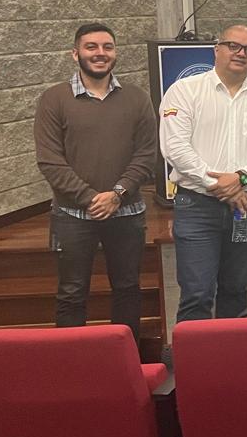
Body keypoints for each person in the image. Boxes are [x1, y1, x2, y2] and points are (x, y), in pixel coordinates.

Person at [33, 23, 159, 342]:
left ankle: (126, 363)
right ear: (75, 54)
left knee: (128, 289)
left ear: (115, 53)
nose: (100, 53)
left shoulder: (136, 98)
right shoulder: (54, 99)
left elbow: (147, 153)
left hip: (127, 212)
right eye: (91, 47)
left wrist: (117, 194)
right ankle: (72, 367)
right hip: (73, 217)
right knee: (72, 293)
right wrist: (91, 198)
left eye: (107, 47)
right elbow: (50, 160)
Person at [160, 24, 247, 322]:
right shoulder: (184, 91)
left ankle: (231, 364)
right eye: (234, 46)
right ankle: (194, 367)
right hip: (197, 206)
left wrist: (240, 178)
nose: (241, 53)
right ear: (217, 49)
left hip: (246, 205)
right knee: (197, 293)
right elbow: (174, 148)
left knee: (236, 289)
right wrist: (220, 185)